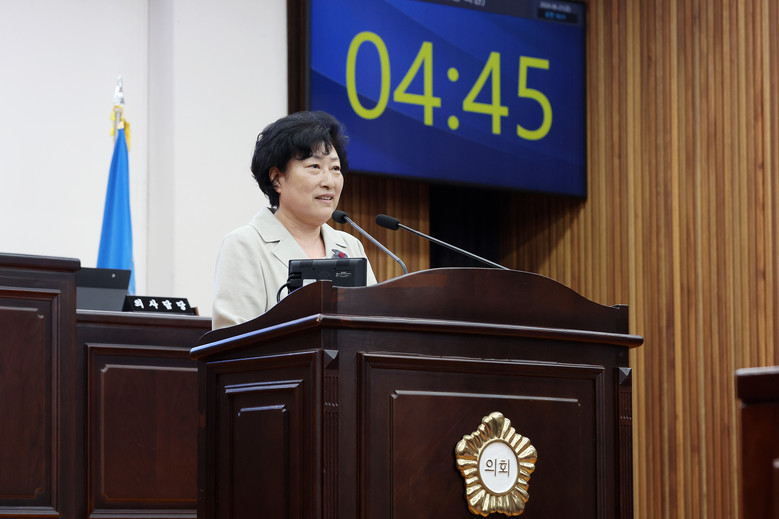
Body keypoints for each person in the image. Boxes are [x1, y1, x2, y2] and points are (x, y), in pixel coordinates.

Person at [211, 111, 377, 329]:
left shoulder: (350, 246)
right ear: (276, 178)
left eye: (335, 168)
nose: (329, 181)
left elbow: (373, 328)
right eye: (314, 166)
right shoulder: (245, 245)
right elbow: (232, 340)